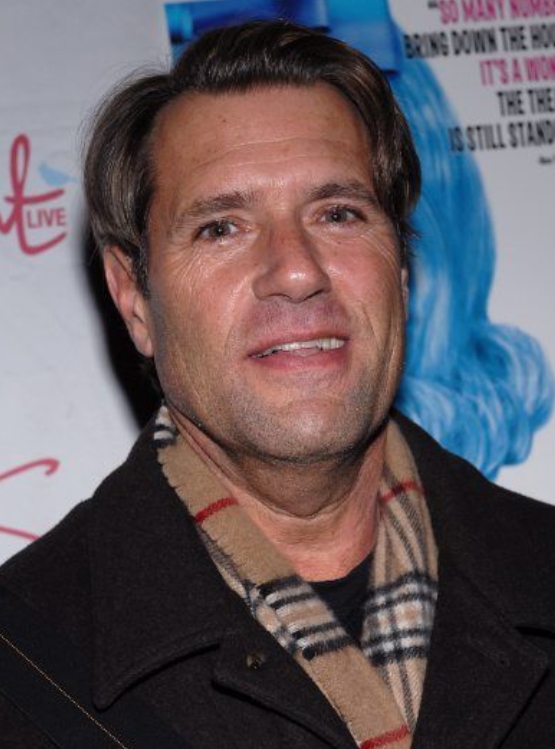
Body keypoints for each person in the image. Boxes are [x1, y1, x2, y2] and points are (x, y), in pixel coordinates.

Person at [1, 20, 554, 749]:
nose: (296, 270)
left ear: (400, 268)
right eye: (221, 228)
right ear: (134, 298)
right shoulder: (23, 663)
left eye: (338, 213)